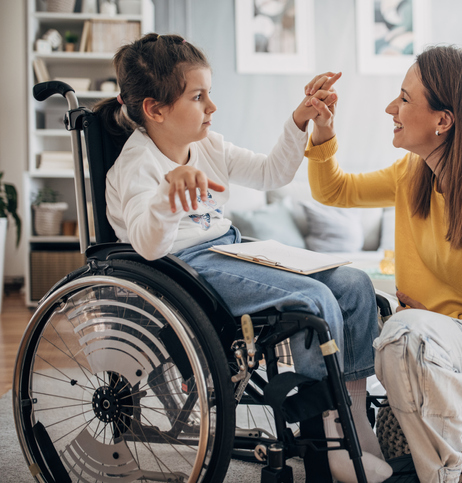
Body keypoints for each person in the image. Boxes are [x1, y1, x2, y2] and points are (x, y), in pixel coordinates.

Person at [96, 33, 393, 483]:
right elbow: (149, 246)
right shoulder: (137, 167)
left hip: (230, 249)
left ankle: (353, 418)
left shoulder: (209, 146)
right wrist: (167, 195)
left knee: (352, 284)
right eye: (199, 96)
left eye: (208, 93)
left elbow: (272, 172)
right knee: (312, 302)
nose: (212, 106)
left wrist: (300, 120)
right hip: (187, 270)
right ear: (155, 109)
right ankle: (327, 436)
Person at [304, 45, 462, 483]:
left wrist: (436, 320)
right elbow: (335, 191)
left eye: (404, 98)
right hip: (429, 349)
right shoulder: (414, 174)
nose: (390, 108)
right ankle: (352, 440)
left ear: (444, 120)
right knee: (357, 305)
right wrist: (323, 129)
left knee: (407, 335)